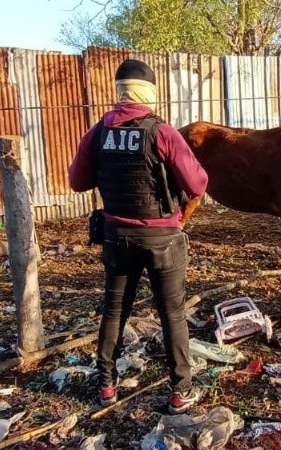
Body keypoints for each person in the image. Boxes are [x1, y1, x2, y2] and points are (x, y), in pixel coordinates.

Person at [68, 59, 209, 413]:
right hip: (162, 240)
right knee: (172, 315)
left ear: (119, 92)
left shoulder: (98, 131)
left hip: (116, 237)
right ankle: (180, 391)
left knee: (114, 312)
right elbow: (198, 184)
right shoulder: (161, 132)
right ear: (149, 93)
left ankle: (105, 386)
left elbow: (77, 182)